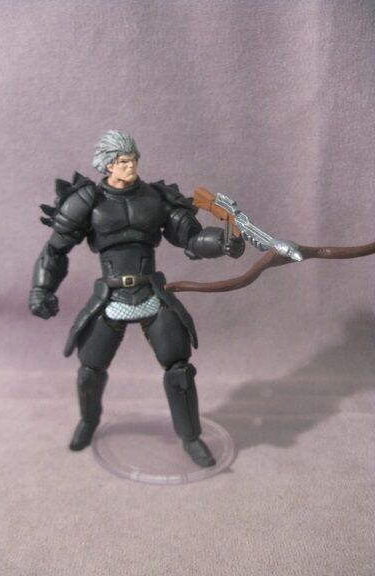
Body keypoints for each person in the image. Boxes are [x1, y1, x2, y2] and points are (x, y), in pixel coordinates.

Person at [29, 130, 245, 467]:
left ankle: (191, 437)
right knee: (89, 370)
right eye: (123, 161)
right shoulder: (86, 201)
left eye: (133, 159)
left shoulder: (156, 198)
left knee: (179, 370)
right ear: (107, 164)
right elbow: (55, 251)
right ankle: (88, 422)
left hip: (150, 292)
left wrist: (222, 242)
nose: (130, 166)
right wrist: (42, 288)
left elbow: (190, 238)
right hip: (109, 296)